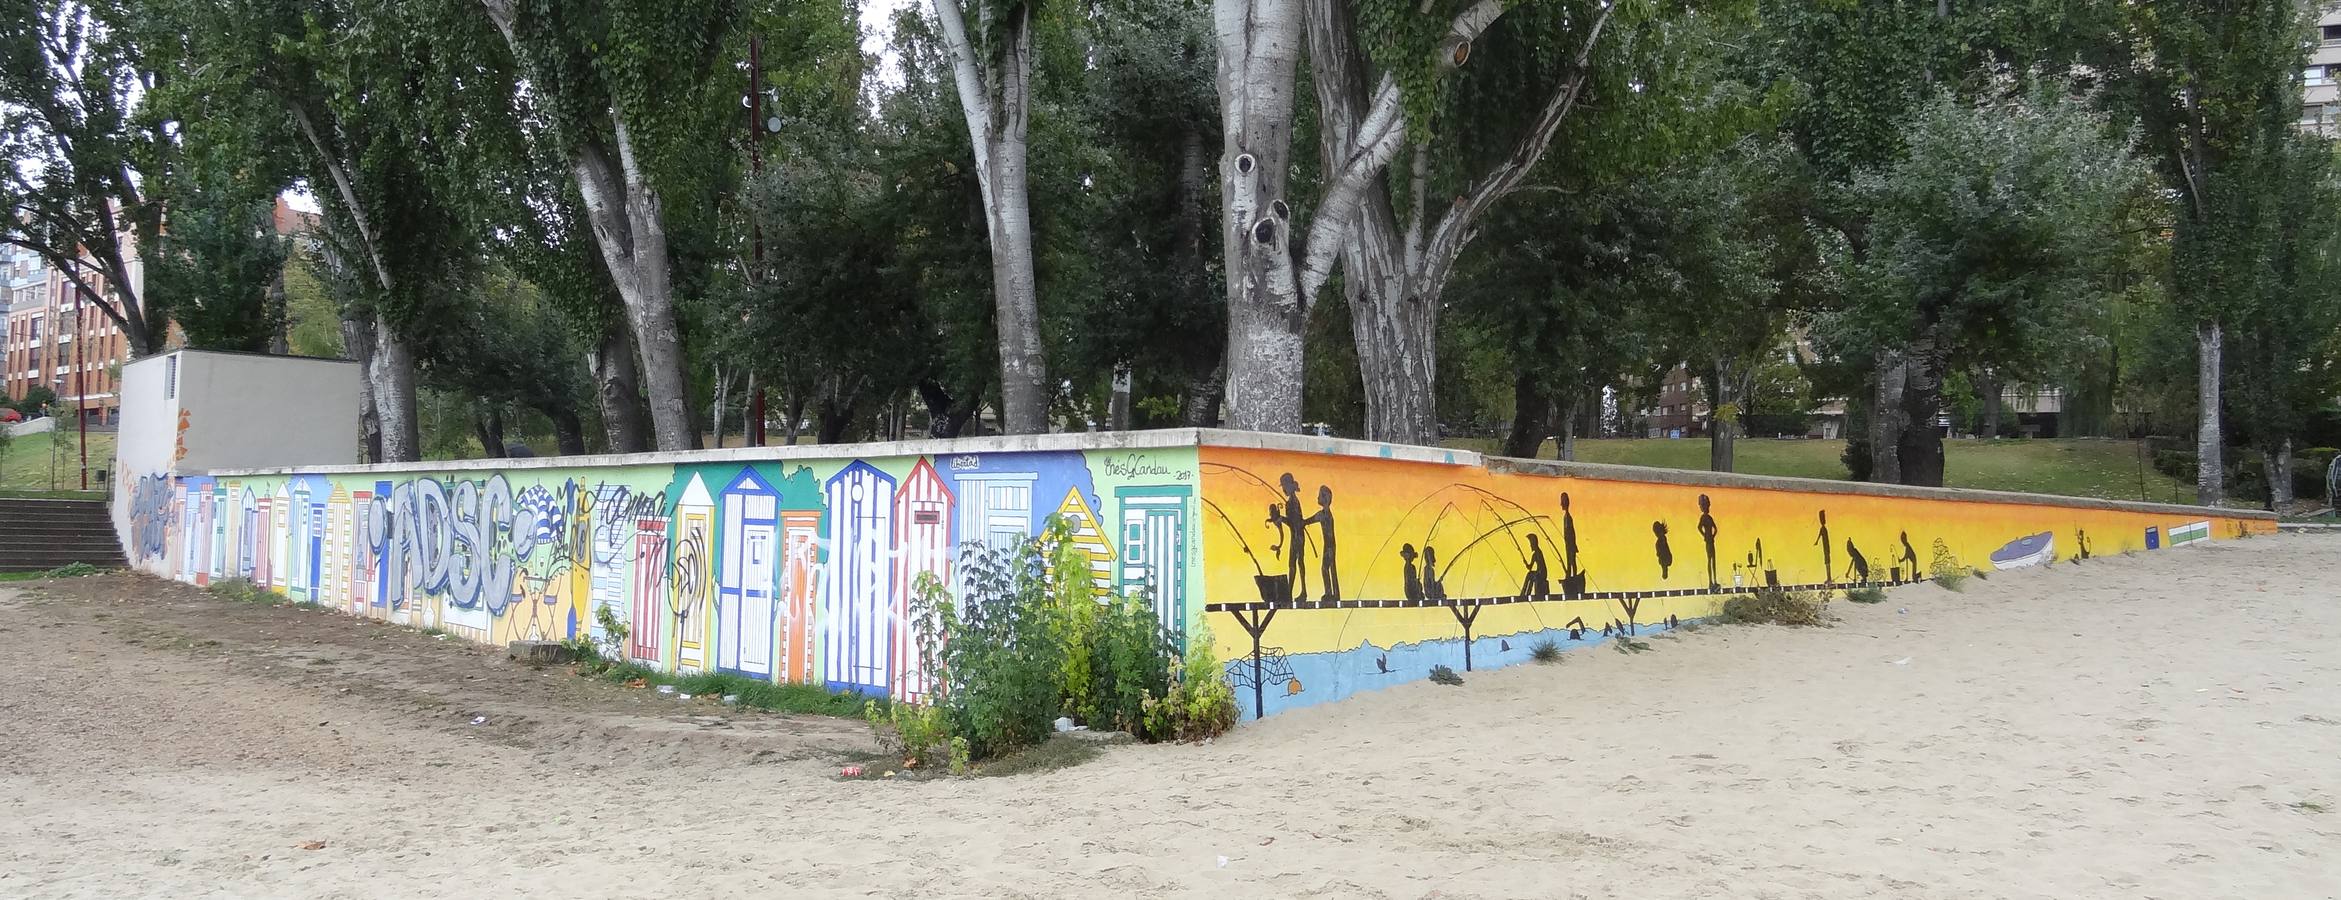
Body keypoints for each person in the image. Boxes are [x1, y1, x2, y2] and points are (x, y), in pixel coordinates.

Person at [1306, 485, 1339, 602]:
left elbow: (1309, 520)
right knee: (1331, 568)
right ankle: (1335, 593)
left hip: (1329, 545)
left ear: (1325, 498)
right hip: (1330, 544)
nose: (1317, 497)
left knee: (1325, 569)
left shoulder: (1324, 514)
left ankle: (1330, 593)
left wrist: (1301, 523)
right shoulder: (1326, 513)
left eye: (1319, 496)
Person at [1697, 495, 1719, 590]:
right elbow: (1699, 527)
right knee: (1710, 560)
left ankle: (1714, 581)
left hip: (1711, 540)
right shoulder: (1703, 517)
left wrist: (1712, 536)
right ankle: (1711, 582)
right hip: (1708, 541)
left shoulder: (1709, 517)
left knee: (1713, 560)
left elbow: (1715, 529)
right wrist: (1705, 535)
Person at [1521, 533, 1550, 599]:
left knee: (1530, 575)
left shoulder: (1538, 553)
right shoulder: (1535, 554)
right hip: (1539, 573)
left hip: (1542, 574)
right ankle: (1525, 593)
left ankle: (1525, 593)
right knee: (1530, 574)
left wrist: (1535, 573)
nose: (1530, 546)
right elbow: (1530, 567)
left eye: (1531, 544)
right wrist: (1526, 563)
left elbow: (1541, 567)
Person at [1815, 511, 1833, 584]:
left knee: (1827, 562)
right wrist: (1816, 542)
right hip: (1826, 547)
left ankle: (1829, 578)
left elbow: (1820, 536)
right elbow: (1820, 536)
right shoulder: (1823, 528)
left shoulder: (1823, 528)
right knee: (1827, 562)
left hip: (1826, 548)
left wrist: (1816, 542)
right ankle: (1829, 577)